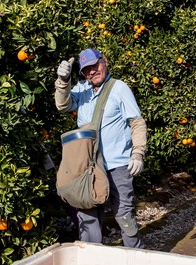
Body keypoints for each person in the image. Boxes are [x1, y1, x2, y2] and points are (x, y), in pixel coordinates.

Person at [54, 49, 147, 249]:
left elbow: (136, 122)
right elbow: (63, 105)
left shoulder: (119, 88)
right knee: (87, 219)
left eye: (95, 66)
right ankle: (93, 263)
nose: (92, 72)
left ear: (104, 62)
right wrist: (63, 81)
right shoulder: (82, 89)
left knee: (124, 216)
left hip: (116, 166)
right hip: (87, 168)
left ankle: (136, 258)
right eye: (86, 70)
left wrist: (138, 153)